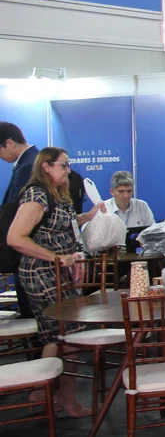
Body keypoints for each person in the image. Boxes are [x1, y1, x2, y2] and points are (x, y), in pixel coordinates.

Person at [5, 147, 107, 417]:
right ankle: (59, 394)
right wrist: (56, 257)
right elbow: (16, 238)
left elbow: (64, 225)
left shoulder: (56, 195)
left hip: (58, 274)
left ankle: (48, 391)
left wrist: (91, 215)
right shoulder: (36, 195)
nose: (68, 170)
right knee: (67, 333)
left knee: (57, 335)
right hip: (41, 273)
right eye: (63, 165)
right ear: (46, 167)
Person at [1, 122, 39, 319]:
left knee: (31, 313)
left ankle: (38, 350)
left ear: (9, 143)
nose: (0, 157)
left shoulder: (28, 166)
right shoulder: (28, 162)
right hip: (26, 248)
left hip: (27, 249)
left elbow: (18, 209)